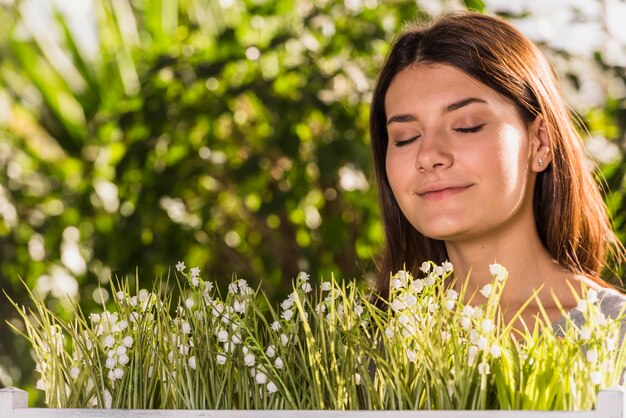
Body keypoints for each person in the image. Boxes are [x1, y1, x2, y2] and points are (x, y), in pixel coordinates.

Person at [369, 11, 626, 331]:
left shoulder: (615, 335)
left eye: (467, 126)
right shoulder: (364, 342)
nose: (428, 156)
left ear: (540, 143)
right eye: (406, 138)